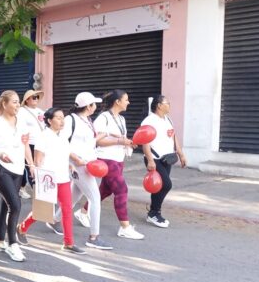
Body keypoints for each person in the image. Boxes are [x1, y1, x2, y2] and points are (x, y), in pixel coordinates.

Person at [18, 108, 87, 255]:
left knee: (67, 210)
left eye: (63, 118)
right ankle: (22, 228)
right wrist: (38, 179)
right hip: (48, 179)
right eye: (58, 118)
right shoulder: (44, 136)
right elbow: (38, 160)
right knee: (42, 211)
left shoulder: (63, 136)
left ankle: (68, 243)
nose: (62, 121)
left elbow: (65, 154)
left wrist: (71, 165)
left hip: (63, 178)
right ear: (49, 121)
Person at [0, 90, 34, 262]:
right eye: (14, 102)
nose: (18, 105)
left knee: (7, 205)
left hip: (18, 168)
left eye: (18, 102)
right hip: (0, 167)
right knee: (15, 204)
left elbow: (25, 146)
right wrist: (0, 154)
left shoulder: (22, 123)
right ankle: (13, 244)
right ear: (4, 104)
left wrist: (31, 165)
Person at [58, 92, 112, 249]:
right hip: (78, 164)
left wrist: (102, 136)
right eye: (94, 104)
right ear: (88, 106)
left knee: (74, 196)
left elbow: (88, 142)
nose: (96, 106)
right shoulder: (71, 120)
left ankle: (54, 219)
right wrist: (75, 158)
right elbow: (62, 142)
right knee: (95, 198)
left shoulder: (88, 120)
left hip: (88, 164)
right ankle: (94, 237)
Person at [92, 89, 145, 240]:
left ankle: (83, 212)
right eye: (126, 99)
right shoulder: (103, 118)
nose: (129, 102)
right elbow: (98, 141)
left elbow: (121, 138)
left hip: (118, 158)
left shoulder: (121, 119)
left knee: (106, 189)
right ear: (117, 102)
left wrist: (128, 143)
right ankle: (125, 227)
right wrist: (119, 141)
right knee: (122, 190)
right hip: (105, 158)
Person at [142, 95, 187, 228]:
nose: (169, 105)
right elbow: (145, 141)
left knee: (158, 186)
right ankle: (154, 213)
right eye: (167, 103)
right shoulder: (149, 121)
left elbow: (173, 136)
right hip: (154, 159)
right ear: (159, 105)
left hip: (167, 158)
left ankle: (153, 213)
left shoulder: (168, 119)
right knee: (166, 185)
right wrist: (150, 160)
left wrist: (181, 154)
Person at [19, 89, 45, 199]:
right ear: (27, 100)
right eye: (34, 97)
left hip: (41, 143)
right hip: (29, 143)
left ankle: (23, 187)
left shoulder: (40, 111)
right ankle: (37, 192)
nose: (36, 99)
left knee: (39, 166)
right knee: (31, 167)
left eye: (37, 97)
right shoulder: (22, 111)